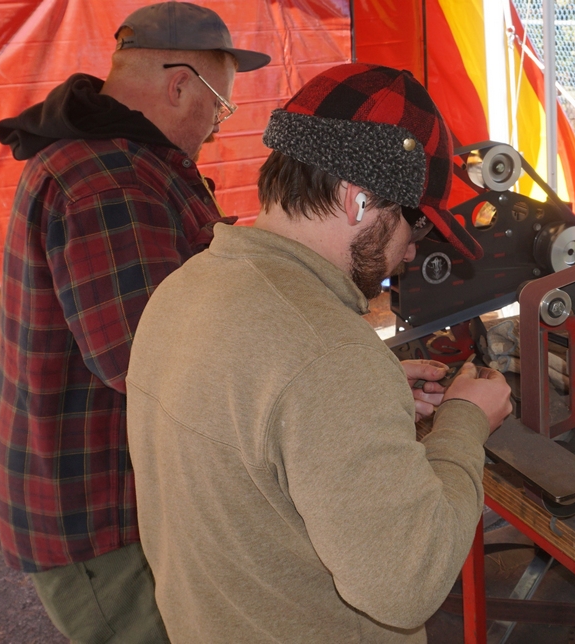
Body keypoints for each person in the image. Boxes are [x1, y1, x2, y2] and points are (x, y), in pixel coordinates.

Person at [126, 63, 514, 642]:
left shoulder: (185, 289)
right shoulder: (328, 356)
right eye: (414, 223)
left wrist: (371, 395)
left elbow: (262, 437)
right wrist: (464, 422)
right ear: (359, 201)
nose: (412, 250)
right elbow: (410, 582)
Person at [0, 3, 269, 642]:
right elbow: (147, 359)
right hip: (96, 513)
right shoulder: (111, 179)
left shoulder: (120, 160)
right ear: (179, 85)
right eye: (219, 108)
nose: (216, 129)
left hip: (107, 497)